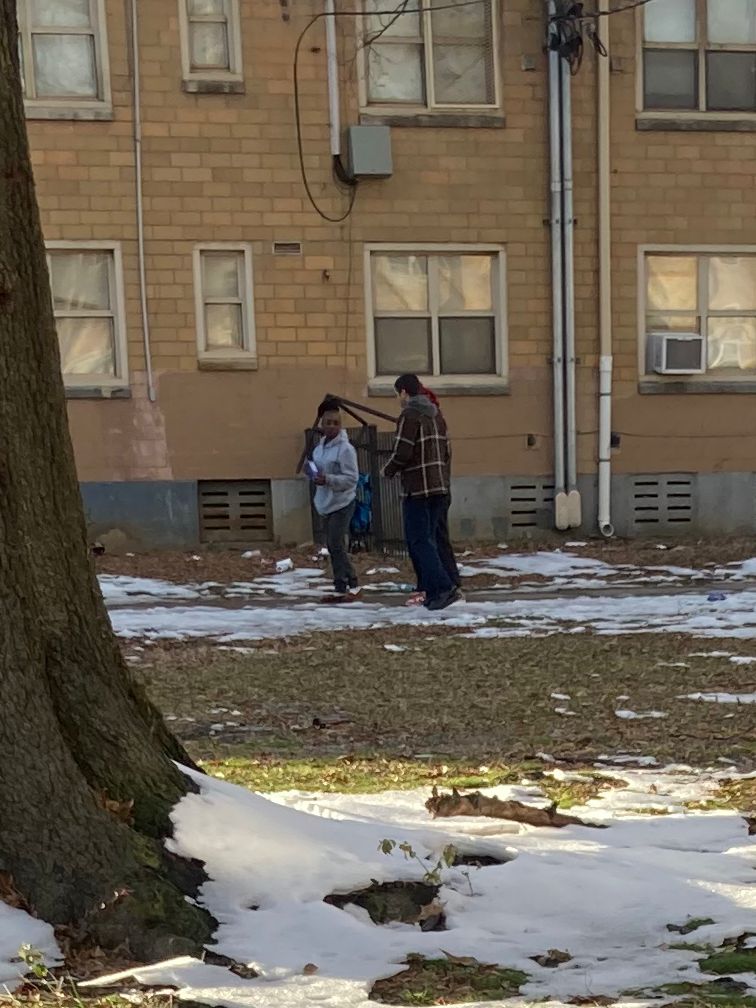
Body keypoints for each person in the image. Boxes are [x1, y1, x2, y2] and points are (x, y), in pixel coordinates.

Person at [383, 374, 461, 612]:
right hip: (439, 487)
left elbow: (403, 451)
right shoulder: (436, 415)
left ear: (404, 393)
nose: (398, 399)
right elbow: (446, 452)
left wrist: (387, 470)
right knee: (432, 540)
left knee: (419, 541)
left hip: (418, 489)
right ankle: (433, 591)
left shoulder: (410, 415)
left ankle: (443, 588)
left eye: (398, 394)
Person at [310, 401, 361, 603]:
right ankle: (342, 584)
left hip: (343, 502)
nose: (331, 426)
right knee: (332, 546)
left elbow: (352, 479)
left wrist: (329, 480)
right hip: (325, 501)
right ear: (322, 424)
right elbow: (317, 469)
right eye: (328, 422)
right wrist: (314, 475)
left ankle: (350, 582)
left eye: (335, 423)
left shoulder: (346, 449)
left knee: (336, 543)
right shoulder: (319, 448)